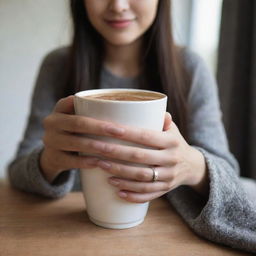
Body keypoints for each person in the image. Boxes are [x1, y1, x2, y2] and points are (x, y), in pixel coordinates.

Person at [8, 0, 256, 253]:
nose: (118, 6)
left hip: (164, 238)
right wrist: (50, 159)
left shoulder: (189, 68)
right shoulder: (58, 65)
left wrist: (191, 166)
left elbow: (228, 173)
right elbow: (18, 170)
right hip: (69, 234)